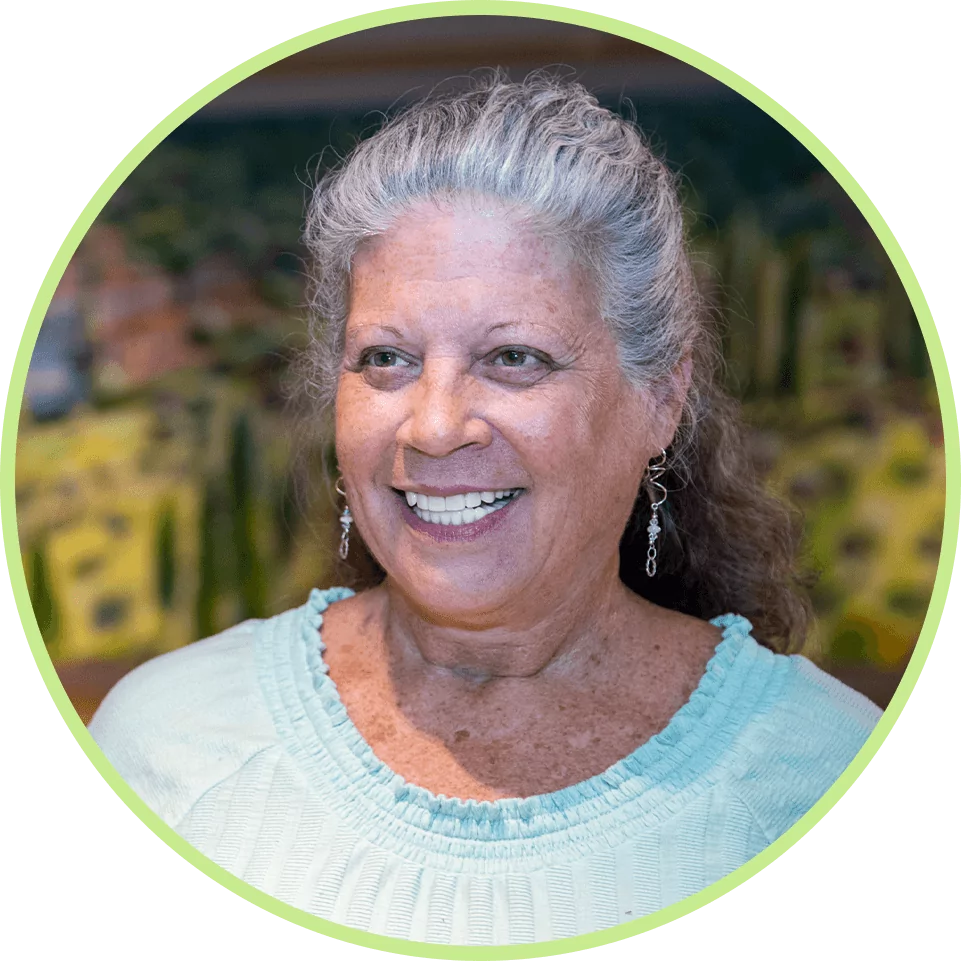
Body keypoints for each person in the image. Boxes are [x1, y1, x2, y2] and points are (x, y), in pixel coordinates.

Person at [89, 72, 881, 946]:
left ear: (660, 396)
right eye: (385, 358)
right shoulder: (165, 744)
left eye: (514, 357)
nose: (432, 426)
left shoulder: (815, 771)